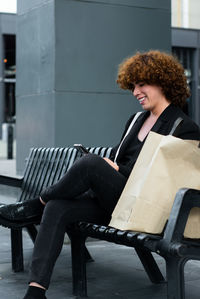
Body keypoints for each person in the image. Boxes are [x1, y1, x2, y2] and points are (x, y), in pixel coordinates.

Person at [0, 50, 200, 299]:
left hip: (143, 207)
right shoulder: (136, 119)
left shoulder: (183, 127)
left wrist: (113, 169)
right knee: (57, 207)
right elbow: (119, 156)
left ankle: (34, 204)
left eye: (142, 84)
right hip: (114, 202)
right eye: (133, 86)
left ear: (163, 81)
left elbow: (168, 179)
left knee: (90, 164)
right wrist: (111, 164)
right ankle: (36, 290)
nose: (136, 92)